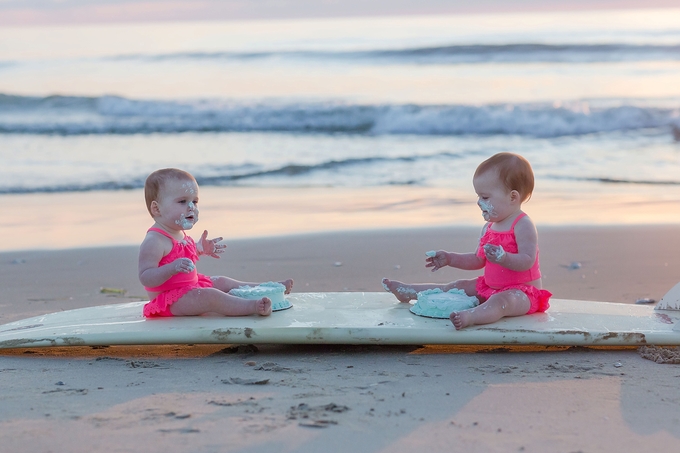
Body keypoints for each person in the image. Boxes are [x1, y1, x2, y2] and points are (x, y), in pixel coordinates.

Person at [382, 153, 551, 330]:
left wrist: (503, 258)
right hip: (490, 287)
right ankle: (408, 292)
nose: (479, 202)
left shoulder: (523, 224)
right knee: (458, 286)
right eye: (478, 196)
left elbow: (527, 260)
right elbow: (478, 260)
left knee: (501, 301)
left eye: (485, 197)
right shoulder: (489, 227)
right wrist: (450, 258)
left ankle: (471, 316)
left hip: (523, 294)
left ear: (512, 197)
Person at [138, 168, 293, 318]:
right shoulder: (155, 240)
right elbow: (146, 277)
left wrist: (200, 249)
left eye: (195, 201)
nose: (191, 207)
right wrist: (171, 268)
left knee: (222, 281)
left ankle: (268, 288)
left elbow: (181, 254)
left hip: (190, 287)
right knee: (210, 296)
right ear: (156, 209)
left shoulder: (176, 232)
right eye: (183, 201)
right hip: (169, 301)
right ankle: (252, 306)